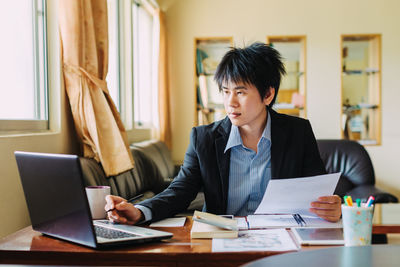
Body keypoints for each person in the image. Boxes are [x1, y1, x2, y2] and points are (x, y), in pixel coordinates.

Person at [105, 42, 342, 225]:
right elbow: (180, 191)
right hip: (223, 239)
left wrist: (333, 207)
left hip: (281, 239)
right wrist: (140, 211)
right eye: (226, 91)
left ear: (268, 95)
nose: (230, 103)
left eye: (240, 92)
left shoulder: (297, 132)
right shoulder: (204, 138)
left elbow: (318, 190)